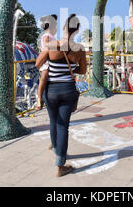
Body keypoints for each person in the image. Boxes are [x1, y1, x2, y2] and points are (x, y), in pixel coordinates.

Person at [35, 14, 87, 177]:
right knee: (63, 125)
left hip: (51, 91)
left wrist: (53, 66)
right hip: (68, 90)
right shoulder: (80, 49)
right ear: (77, 30)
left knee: (53, 121)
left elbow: (38, 64)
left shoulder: (51, 45)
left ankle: (56, 148)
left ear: (64, 28)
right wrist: (70, 69)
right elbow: (83, 70)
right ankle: (60, 164)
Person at [35, 14, 58, 110]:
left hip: (51, 58)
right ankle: (39, 99)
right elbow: (47, 46)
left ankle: (45, 97)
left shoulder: (51, 36)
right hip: (47, 59)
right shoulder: (47, 35)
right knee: (44, 77)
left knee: (47, 78)